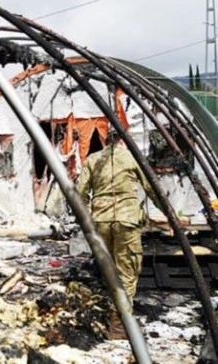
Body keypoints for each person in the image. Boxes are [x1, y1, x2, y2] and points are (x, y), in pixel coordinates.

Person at [76, 129, 159, 340]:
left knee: (108, 269)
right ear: (123, 139)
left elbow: (80, 193)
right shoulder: (132, 157)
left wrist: (86, 221)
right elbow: (151, 188)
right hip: (126, 220)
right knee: (128, 270)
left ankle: (114, 311)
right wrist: (167, 211)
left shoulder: (93, 159)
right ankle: (120, 323)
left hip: (101, 221)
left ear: (106, 139)